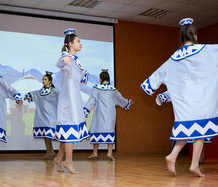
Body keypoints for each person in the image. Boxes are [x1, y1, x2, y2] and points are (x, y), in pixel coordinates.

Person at [140, 18, 218, 177]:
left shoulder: (173, 58)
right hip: (202, 100)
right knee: (200, 132)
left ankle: (175, 157)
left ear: (181, 38)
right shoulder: (207, 50)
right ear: (195, 36)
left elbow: (155, 79)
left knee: (191, 131)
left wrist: (153, 89)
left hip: (184, 103)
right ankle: (192, 165)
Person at [53, 28, 89, 174]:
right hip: (68, 101)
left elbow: (77, 76)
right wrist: (63, 56)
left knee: (66, 133)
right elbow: (60, 64)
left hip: (74, 99)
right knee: (70, 130)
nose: (80, 43)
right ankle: (68, 161)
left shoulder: (76, 60)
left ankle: (58, 158)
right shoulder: (66, 58)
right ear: (70, 44)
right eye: (78, 41)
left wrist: (84, 75)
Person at [84, 68, 132, 160]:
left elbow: (92, 100)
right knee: (109, 130)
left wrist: (85, 110)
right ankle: (109, 153)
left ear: (101, 79)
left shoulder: (96, 88)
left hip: (99, 113)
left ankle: (95, 152)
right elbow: (120, 99)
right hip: (110, 114)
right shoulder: (113, 89)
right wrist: (127, 102)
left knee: (96, 129)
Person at [24, 71, 58, 160]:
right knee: (45, 135)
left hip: (51, 117)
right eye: (43, 79)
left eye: (45, 79)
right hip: (42, 117)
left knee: (48, 134)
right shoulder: (39, 92)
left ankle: (50, 151)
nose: (43, 81)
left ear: (50, 81)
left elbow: (63, 97)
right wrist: (26, 96)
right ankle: (50, 151)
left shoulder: (54, 91)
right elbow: (32, 94)